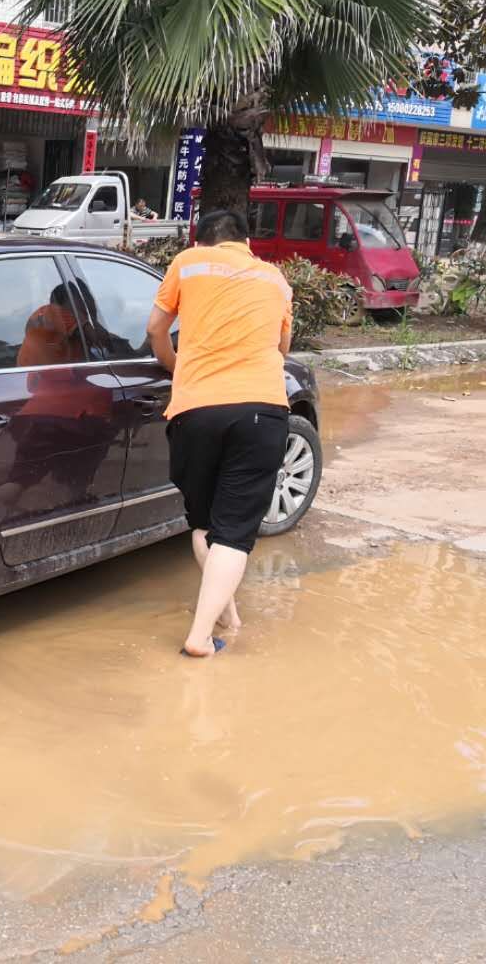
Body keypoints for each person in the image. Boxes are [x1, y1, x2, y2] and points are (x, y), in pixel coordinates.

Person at [146, 209, 294, 658]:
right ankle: (200, 633)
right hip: (260, 410)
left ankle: (224, 616)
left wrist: (181, 370)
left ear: (201, 240)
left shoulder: (187, 264)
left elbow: (155, 329)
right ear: (247, 244)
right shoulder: (276, 281)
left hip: (194, 411)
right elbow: (281, 350)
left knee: (204, 525)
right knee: (234, 534)